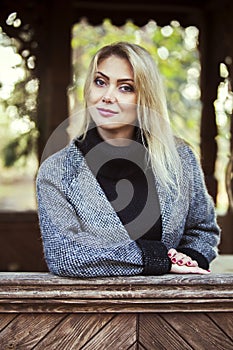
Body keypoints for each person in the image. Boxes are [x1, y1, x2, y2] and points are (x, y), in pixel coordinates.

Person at [36, 42, 220, 277]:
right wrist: (156, 259)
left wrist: (188, 261)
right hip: (92, 312)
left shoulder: (180, 158)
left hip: (169, 310)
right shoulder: (56, 171)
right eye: (100, 82)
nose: (108, 97)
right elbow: (64, 254)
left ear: (145, 97)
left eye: (125, 87)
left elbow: (202, 230)